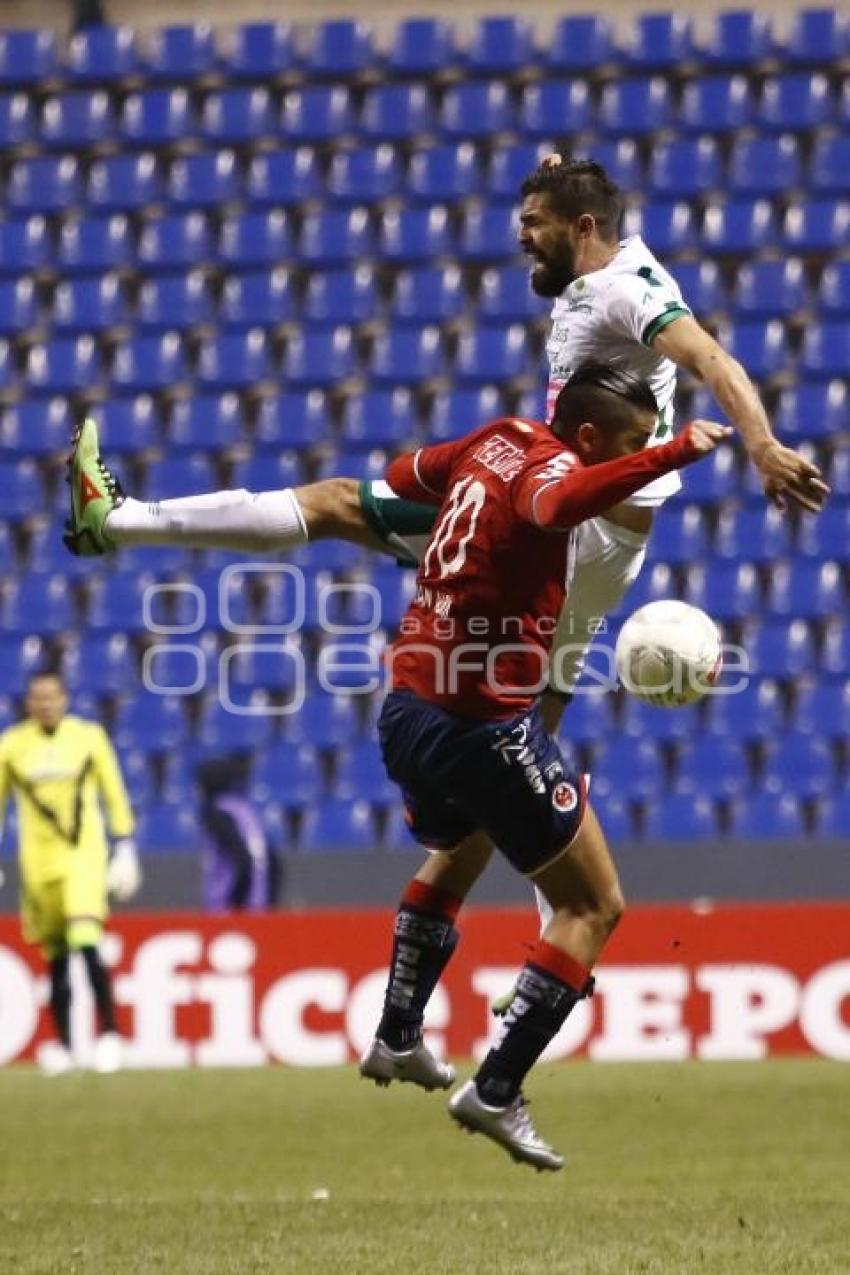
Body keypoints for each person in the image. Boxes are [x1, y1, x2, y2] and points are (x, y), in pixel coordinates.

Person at [354, 368, 730, 1170]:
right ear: (590, 439)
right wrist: (670, 453)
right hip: (480, 729)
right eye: (625, 444)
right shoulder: (554, 469)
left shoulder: (494, 441)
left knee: (464, 845)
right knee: (593, 904)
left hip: (407, 710)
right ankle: (495, 1087)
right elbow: (559, 502)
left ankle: (396, 1034)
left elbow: (396, 478)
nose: (630, 461)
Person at [0, 671, 141, 1074]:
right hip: (37, 864)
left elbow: (113, 791)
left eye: (52, 696)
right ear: (28, 703)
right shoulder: (11, 746)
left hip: (83, 856)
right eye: (37, 698)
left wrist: (125, 843)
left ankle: (111, 1035)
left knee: (86, 938)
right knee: (57, 954)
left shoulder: (88, 737)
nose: (45, 704)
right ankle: (64, 1044)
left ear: (65, 699)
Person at [196, 754, 281, 911]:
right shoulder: (246, 810)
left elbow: (243, 859)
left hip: (225, 912)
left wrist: (236, 905)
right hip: (259, 908)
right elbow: (273, 861)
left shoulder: (218, 814)